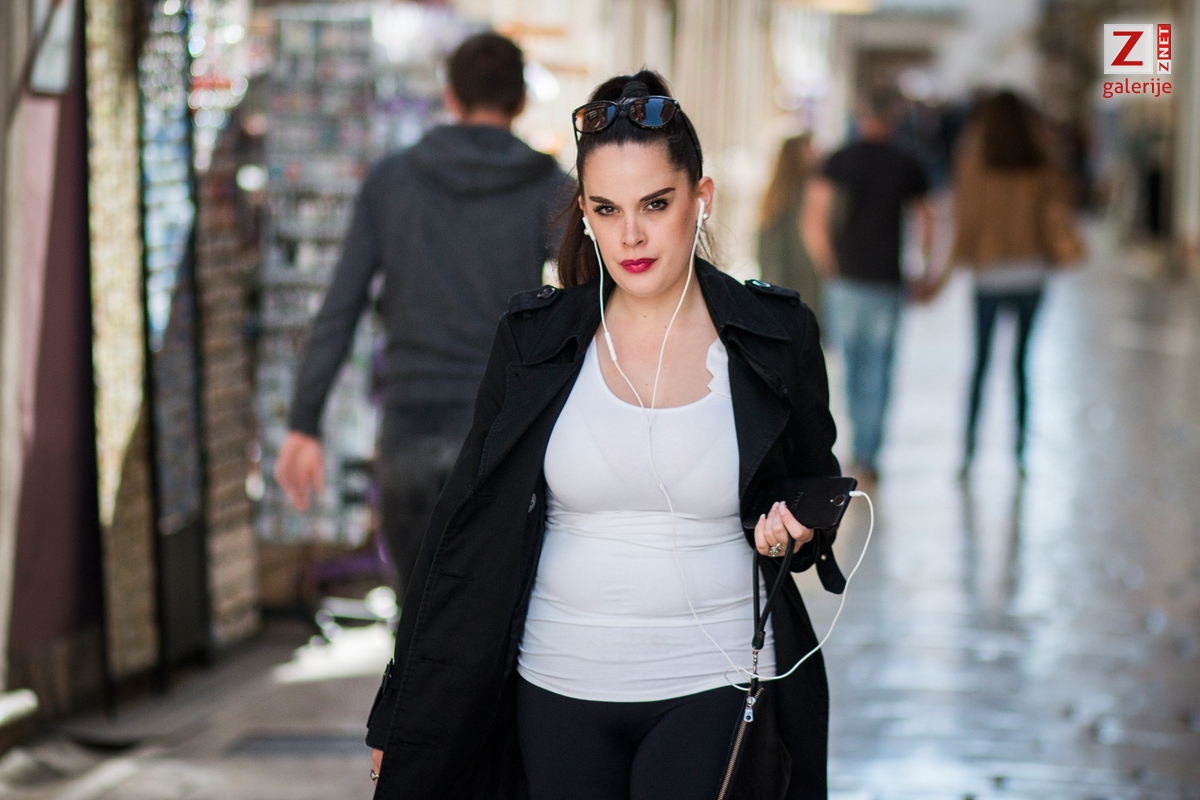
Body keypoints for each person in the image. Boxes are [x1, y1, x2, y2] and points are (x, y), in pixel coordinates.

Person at [366, 70, 844, 800]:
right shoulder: (535, 340)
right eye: (606, 209)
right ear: (584, 212)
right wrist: (398, 712)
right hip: (556, 683)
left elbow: (814, 482)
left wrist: (796, 523)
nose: (631, 235)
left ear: (701, 198)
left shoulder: (773, 335)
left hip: (713, 679)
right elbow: (460, 528)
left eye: (656, 203)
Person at [273, 32, 567, 595]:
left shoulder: (392, 181)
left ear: (450, 96)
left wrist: (303, 424)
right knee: (490, 618)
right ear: (521, 101)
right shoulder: (550, 189)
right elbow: (595, 294)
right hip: (496, 436)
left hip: (408, 433)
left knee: (415, 623)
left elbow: (340, 308)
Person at [928, 90, 1082, 475]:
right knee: (1021, 365)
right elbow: (1064, 206)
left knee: (981, 363)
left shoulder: (973, 164)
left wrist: (941, 277)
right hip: (1032, 274)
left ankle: (968, 454)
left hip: (989, 276)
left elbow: (964, 224)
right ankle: (1020, 454)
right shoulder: (1043, 164)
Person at [802, 94, 932, 485]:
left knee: (850, 364)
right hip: (887, 280)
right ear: (891, 120)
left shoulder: (840, 160)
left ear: (861, 118)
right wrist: (924, 268)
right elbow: (926, 220)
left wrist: (828, 262)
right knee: (880, 367)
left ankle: (856, 443)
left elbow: (814, 217)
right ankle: (868, 453)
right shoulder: (907, 162)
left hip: (847, 277)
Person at [758, 134, 824, 327]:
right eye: (810, 149)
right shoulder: (809, 192)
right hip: (803, 284)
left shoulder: (772, 195)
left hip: (778, 286)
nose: (816, 154)